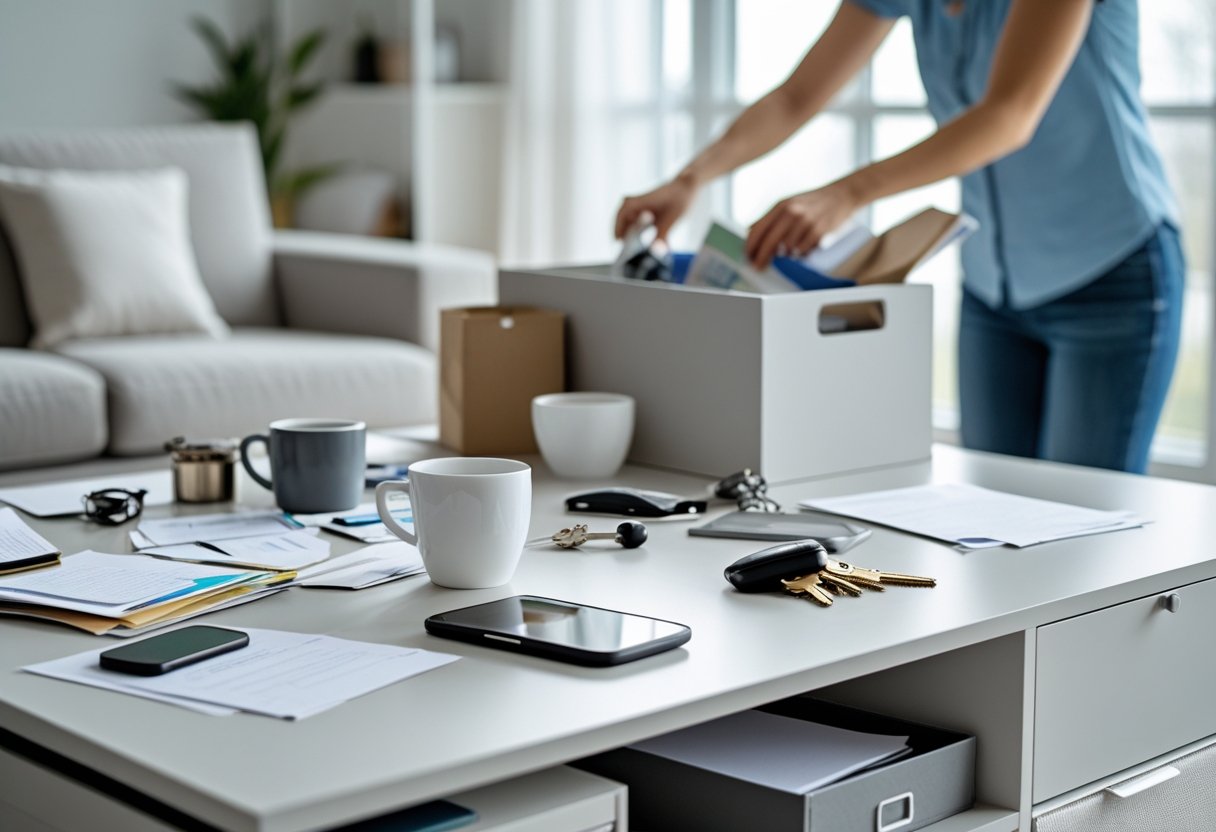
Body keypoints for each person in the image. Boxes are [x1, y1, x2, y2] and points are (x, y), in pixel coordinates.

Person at [614, 0, 1184, 474]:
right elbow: (796, 97)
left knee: (1086, 531)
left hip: (1112, 272)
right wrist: (691, 179)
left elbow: (1009, 114)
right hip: (993, 290)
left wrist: (847, 193)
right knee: (998, 522)